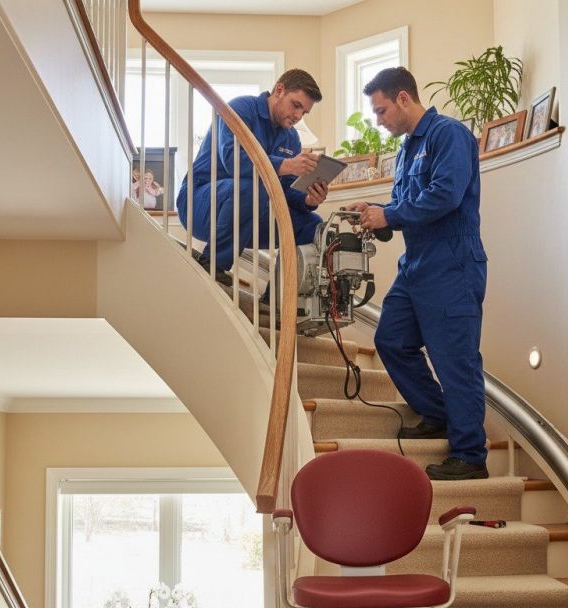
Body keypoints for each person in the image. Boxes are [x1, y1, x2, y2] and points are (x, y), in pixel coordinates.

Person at [348, 67, 489, 480]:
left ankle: (470, 456)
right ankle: (439, 413)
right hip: (416, 266)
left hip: (452, 264)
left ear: (404, 99)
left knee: (455, 360)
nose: (379, 120)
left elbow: (444, 195)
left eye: (381, 110)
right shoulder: (407, 148)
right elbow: (403, 206)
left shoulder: (450, 135)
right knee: (391, 340)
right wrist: (376, 215)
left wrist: (388, 213)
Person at [176, 68, 328, 280]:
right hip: (200, 203)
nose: (298, 116)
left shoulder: (291, 138)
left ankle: (279, 296)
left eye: (304, 112)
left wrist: (309, 199)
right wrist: (285, 165)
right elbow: (232, 161)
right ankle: (213, 264)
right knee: (253, 188)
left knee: (312, 223)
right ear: (280, 90)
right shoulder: (240, 108)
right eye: (296, 105)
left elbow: (285, 191)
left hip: (249, 212)